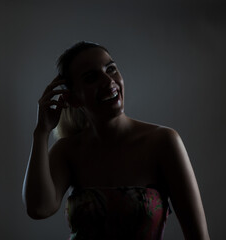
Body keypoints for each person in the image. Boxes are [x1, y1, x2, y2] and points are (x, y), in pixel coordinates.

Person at [22, 41, 210, 240]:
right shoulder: (68, 151)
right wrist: (41, 132)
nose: (107, 81)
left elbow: (198, 236)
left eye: (110, 69)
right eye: (91, 77)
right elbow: (39, 209)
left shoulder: (163, 142)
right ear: (73, 99)